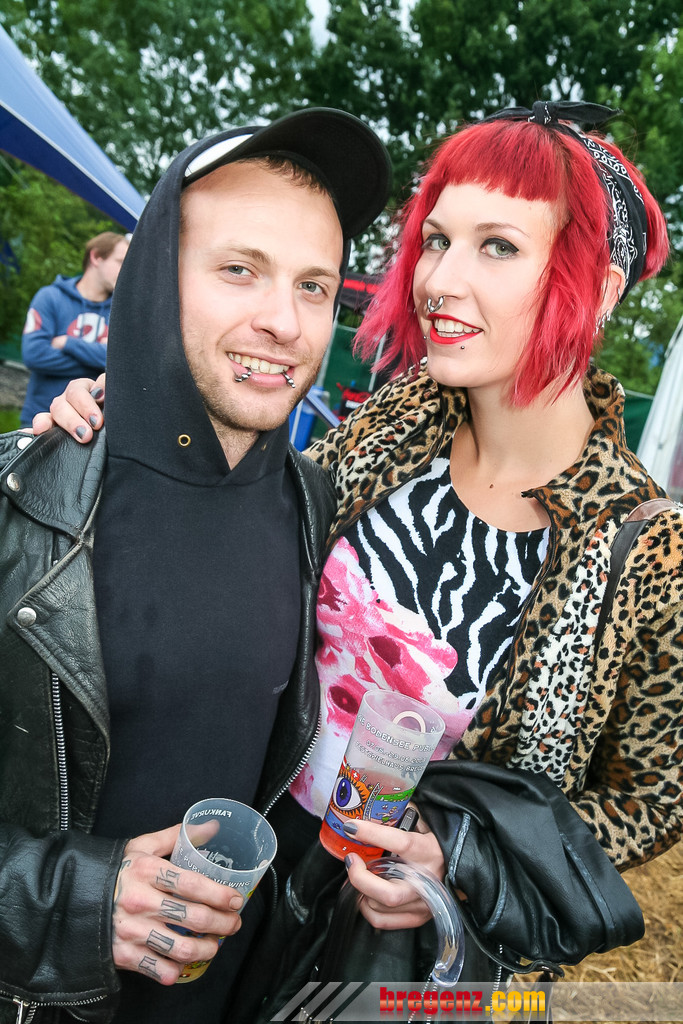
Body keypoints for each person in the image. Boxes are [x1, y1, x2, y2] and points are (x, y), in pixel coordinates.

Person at [47, 102, 682, 979]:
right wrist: (129, 414)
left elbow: (652, 796)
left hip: (390, 952)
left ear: (598, 288)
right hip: (240, 874)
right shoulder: (401, 419)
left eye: (497, 246)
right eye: (437, 240)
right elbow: (257, 510)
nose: (439, 279)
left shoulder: (648, 550)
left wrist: (463, 864)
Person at [0, 107, 391, 1024]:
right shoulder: (23, 503)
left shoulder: (312, 503)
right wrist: (73, 900)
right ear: (152, 280)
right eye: (238, 269)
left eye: (313, 286)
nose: (282, 321)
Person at [19, 231, 130, 425]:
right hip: (41, 419)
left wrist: (68, 343)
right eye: (120, 262)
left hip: (94, 424)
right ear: (96, 257)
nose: (126, 271)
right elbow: (34, 355)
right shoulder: (50, 297)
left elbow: (124, 362)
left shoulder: (122, 310)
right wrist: (99, 356)